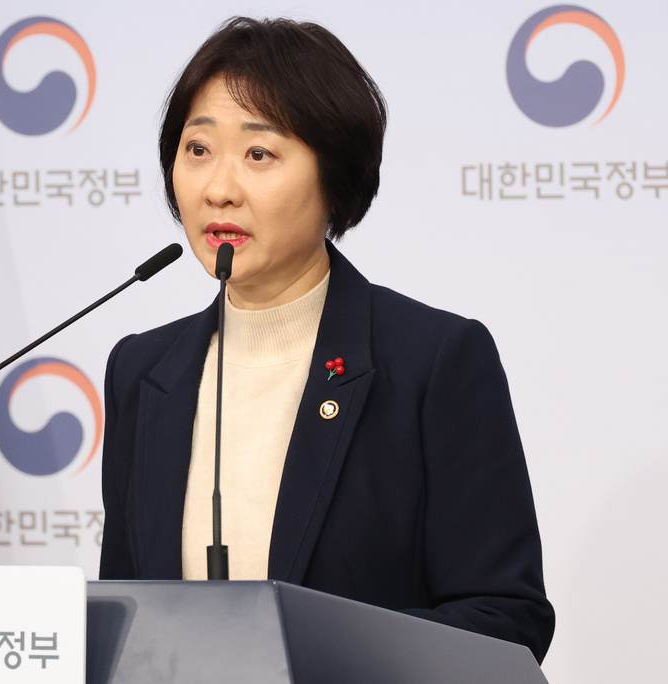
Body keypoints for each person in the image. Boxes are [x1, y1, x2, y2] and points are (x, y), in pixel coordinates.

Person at [98, 16, 555, 662]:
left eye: (259, 155)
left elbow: (505, 618)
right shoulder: (143, 372)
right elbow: (122, 618)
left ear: (333, 177)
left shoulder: (433, 363)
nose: (218, 188)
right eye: (197, 150)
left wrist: (310, 658)